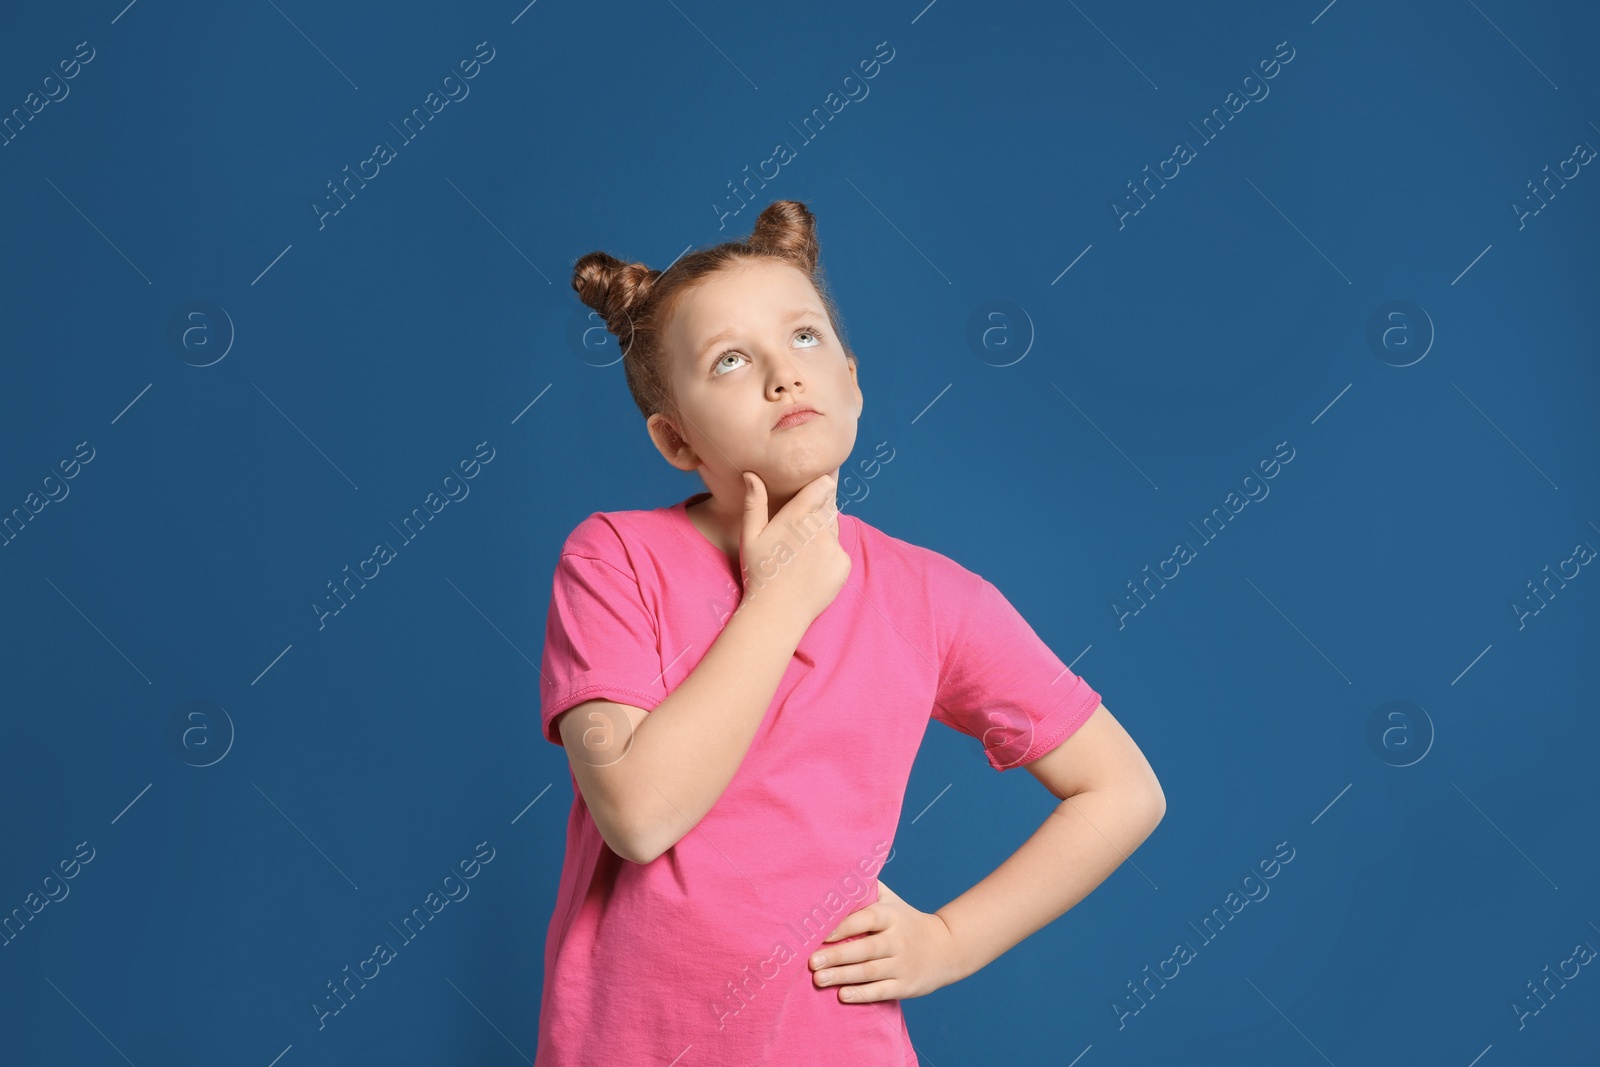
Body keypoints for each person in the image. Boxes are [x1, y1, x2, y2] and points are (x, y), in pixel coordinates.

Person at [535, 199, 1165, 1065]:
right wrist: (780, 599)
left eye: (804, 338)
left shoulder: (934, 597)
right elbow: (639, 817)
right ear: (676, 440)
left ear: (852, 379)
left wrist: (948, 939)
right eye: (729, 360)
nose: (782, 376)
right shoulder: (614, 559)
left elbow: (1123, 790)